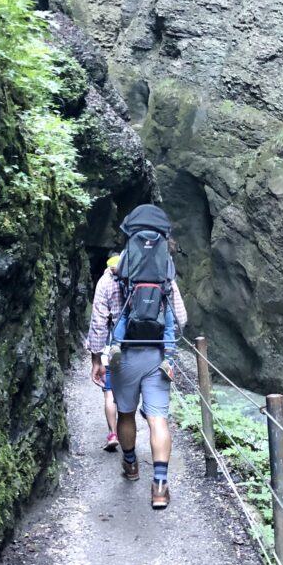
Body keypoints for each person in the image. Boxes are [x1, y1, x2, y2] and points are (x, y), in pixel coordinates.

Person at [87, 206, 187, 510]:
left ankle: (131, 465)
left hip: (123, 357)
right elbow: (181, 318)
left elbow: (97, 322)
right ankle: (159, 486)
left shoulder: (111, 277)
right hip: (158, 356)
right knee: (158, 419)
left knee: (127, 414)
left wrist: (95, 359)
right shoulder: (164, 274)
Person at [88, 254, 122, 452]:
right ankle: (130, 444)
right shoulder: (138, 279)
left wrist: (96, 357)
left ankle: (113, 433)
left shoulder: (106, 282)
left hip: (112, 348)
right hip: (138, 346)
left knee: (109, 393)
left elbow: (99, 323)